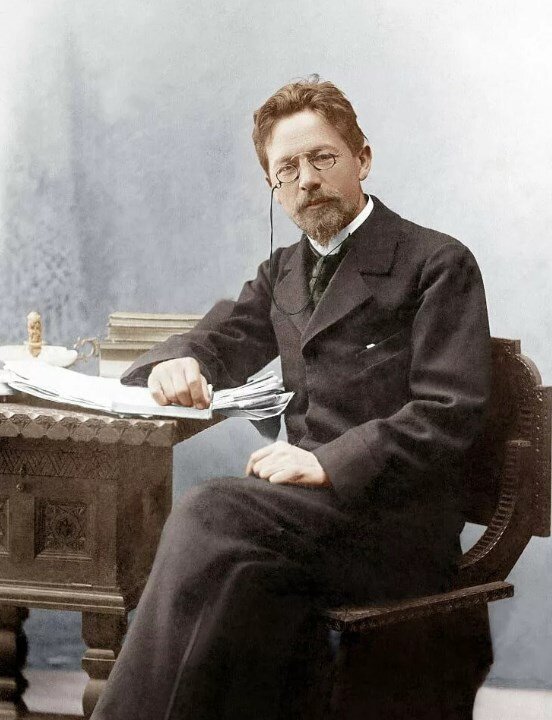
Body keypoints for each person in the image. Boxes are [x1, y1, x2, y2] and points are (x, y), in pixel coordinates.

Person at [90, 76, 492, 720]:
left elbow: (452, 413)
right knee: (233, 584)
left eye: (323, 158)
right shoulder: (284, 271)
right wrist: (181, 360)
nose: (307, 180)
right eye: (287, 169)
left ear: (362, 158)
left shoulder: (436, 263)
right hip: (308, 523)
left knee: (208, 509)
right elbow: (220, 339)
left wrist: (328, 461)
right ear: (273, 186)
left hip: (397, 529)